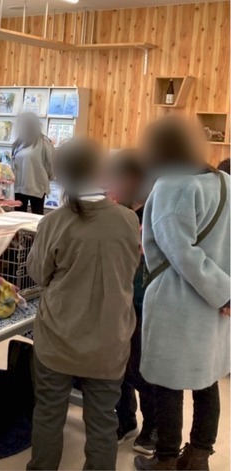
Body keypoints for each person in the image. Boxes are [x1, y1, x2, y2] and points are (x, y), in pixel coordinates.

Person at [27, 139, 140, 471]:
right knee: (103, 422)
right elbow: (129, 269)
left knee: (48, 414)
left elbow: (37, 273)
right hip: (110, 340)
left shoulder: (53, 223)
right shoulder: (127, 220)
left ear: (58, 174)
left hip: (58, 338)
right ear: (101, 170)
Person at [134, 117, 230, 471]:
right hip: (216, 305)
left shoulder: (170, 185)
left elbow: (181, 252)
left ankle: (165, 460)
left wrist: (223, 293)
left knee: (167, 384)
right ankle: (199, 457)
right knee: (207, 380)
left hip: (177, 301)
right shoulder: (225, 182)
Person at [108, 150, 157, 455]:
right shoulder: (119, 209)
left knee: (139, 368)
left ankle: (152, 428)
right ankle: (125, 419)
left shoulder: (152, 212)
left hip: (141, 299)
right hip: (118, 297)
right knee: (117, 365)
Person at [12, 112, 54, 215]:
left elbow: (51, 164)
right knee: (18, 216)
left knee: (37, 216)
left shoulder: (43, 142)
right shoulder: (18, 143)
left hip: (36, 186)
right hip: (19, 186)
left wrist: (49, 177)